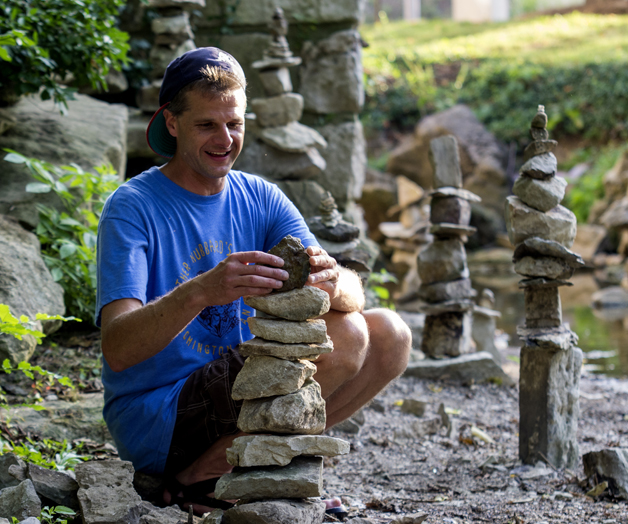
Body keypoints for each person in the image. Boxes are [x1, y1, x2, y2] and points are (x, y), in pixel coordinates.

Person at [96, 47, 411, 513]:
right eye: (207, 125)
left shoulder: (260, 197)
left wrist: (333, 281)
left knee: (389, 335)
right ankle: (198, 477)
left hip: (241, 392)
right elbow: (118, 349)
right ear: (173, 123)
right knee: (347, 336)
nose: (225, 139)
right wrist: (203, 290)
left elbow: (346, 290)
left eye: (235, 124)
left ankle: (265, 465)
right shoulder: (132, 207)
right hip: (160, 413)